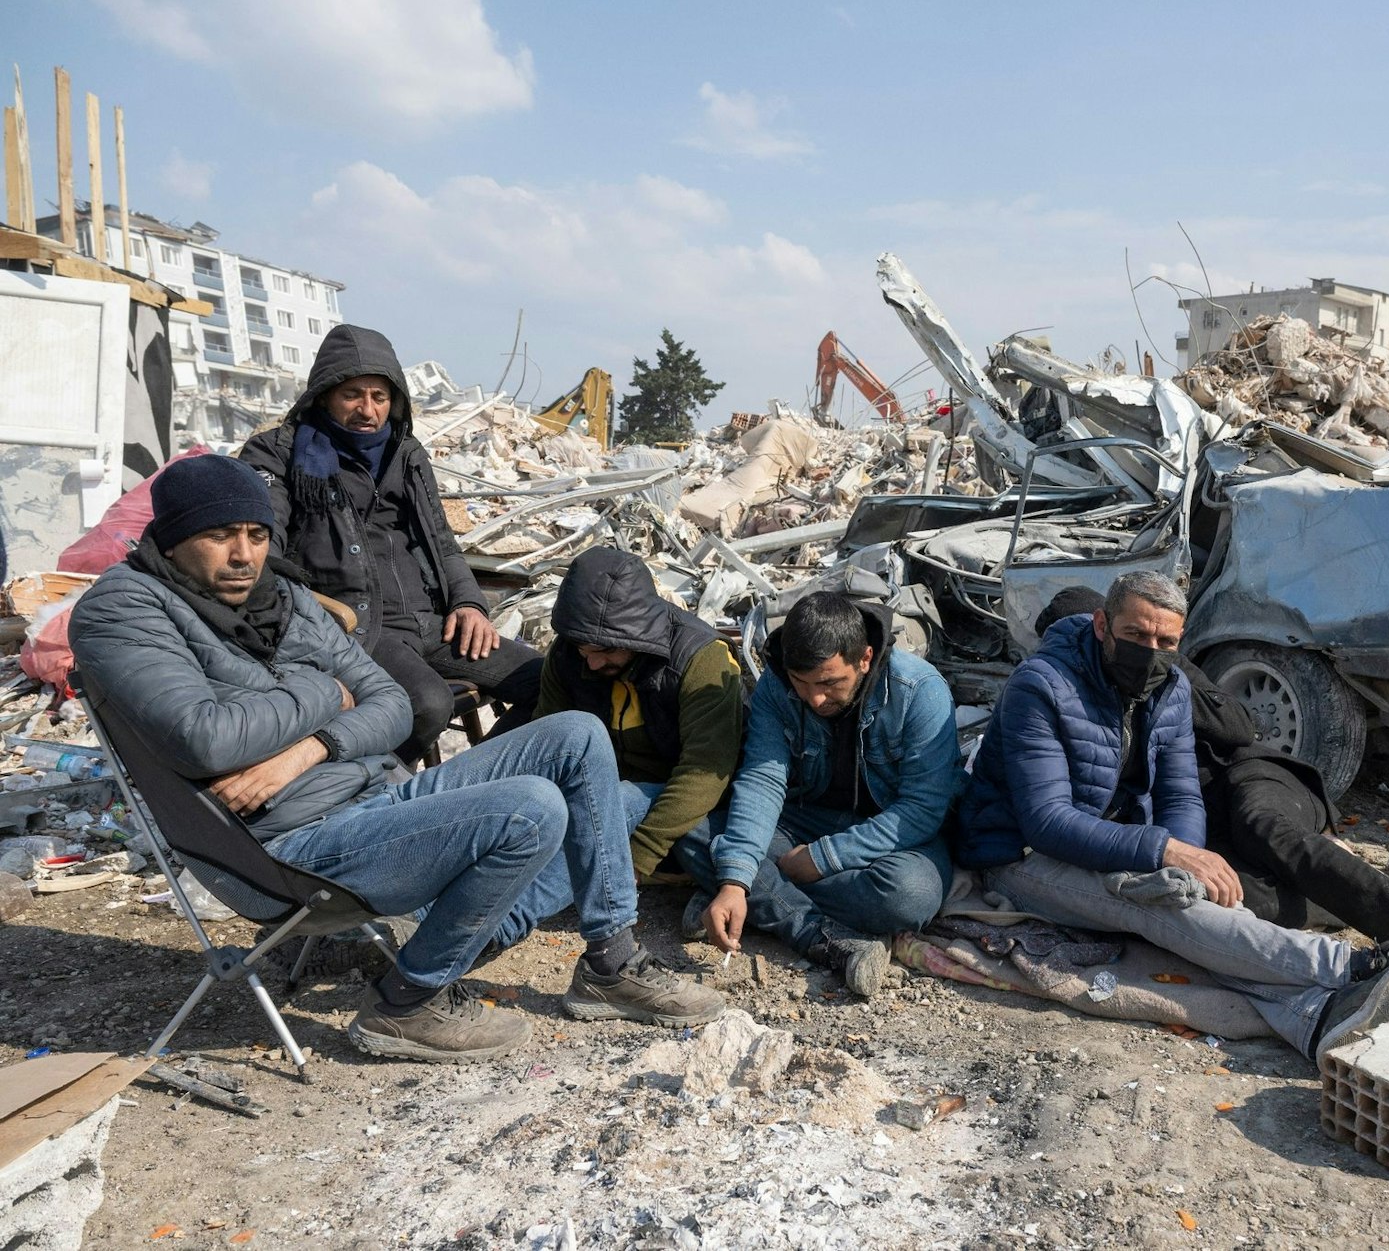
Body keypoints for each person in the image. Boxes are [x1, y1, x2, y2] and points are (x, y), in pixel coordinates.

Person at [68, 455, 722, 1064]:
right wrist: (326, 691)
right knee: (532, 809)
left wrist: (312, 745)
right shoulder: (124, 608)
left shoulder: (282, 596)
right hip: (287, 846)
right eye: (219, 536)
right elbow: (206, 737)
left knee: (579, 735)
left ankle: (610, 961)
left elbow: (392, 702)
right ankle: (409, 1001)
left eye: (255, 533)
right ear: (174, 537)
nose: (244, 554)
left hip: (370, 799)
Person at [959, 571, 1389, 1062]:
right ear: (1101, 626)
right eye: (1134, 634)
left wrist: (1184, 864)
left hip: (1114, 833)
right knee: (1153, 906)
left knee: (1191, 900)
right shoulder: (1043, 686)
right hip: (1020, 855)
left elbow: (1181, 794)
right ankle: (1357, 969)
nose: (1150, 652)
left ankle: (1314, 1017)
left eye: (1166, 644)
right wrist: (1165, 852)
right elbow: (1046, 821)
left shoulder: (1171, 689)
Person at [1031, 587, 1389, 1014]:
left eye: (1150, 640)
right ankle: (1351, 896)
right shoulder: (1062, 696)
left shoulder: (1166, 667)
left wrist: (1167, 679)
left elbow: (1238, 727)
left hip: (1251, 775)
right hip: (1204, 823)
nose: (1137, 651)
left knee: (1264, 828)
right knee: (1224, 897)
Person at [239, 325, 541, 763]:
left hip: (430, 621)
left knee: (552, 681)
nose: (368, 410)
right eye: (352, 395)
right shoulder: (279, 454)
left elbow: (442, 541)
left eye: (379, 397)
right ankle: (383, 802)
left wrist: (470, 603)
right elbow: (265, 548)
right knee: (427, 704)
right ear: (324, 395)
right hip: (353, 625)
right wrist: (311, 620)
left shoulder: (406, 452)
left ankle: (472, 782)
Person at [677, 592, 957, 997]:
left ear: (864, 658)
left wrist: (823, 859)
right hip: (803, 820)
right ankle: (804, 922)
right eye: (802, 684)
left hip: (893, 836)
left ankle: (761, 899)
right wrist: (738, 879)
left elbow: (920, 810)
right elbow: (763, 780)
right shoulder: (776, 685)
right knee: (694, 830)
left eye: (829, 682)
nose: (815, 698)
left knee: (910, 897)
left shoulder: (919, 690)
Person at [533, 546, 744, 879]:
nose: (592, 662)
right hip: (602, 794)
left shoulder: (701, 660)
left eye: (605, 650)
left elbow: (703, 774)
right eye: (582, 649)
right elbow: (549, 741)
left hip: (671, 800)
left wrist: (635, 858)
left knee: (632, 807)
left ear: (637, 633)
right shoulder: (568, 653)